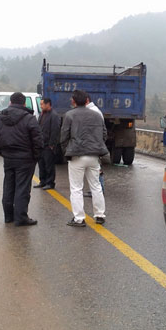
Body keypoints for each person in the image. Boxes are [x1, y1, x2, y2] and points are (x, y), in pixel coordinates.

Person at [0, 92, 43, 226]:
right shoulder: (29, 118)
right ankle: (21, 218)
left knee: (8, 187)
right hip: (25, 159)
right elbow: (37, 140)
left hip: (8, 158)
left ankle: (8, 216)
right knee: (22, 188)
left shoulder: (1, 117)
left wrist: (2, 151)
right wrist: (36, 156)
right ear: (24, 103)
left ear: (10, 102)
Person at [60, 90, 108, 227]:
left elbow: (64, 136)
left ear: (74, 101)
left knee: (76, 188)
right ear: (87, 100)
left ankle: (79, 218)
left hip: (77, 155)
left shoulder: (69, 115)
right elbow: (104, 134)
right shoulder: (97, 115)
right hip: (94, 156)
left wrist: (66, 150)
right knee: (96, 186)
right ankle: (100, 215)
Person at [34, 97, 61, 190]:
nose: (41, 106)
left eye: (42, 104)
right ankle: (43, 181)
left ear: (48, 104)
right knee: (41, 164)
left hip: (48, 145)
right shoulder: (42, 114)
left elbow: (55, 131)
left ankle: (50, 183)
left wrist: (52, 145)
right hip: (41, 145)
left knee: (49, 165)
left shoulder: (54, 115)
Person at [84, 93, 106, 196]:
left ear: (87, 100)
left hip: (94, 145)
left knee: (97, 169)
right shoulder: (95, 110)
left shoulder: (92, 112)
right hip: (96, 144)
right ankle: (97, 189)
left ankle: (99, 190)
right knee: (96, 169)